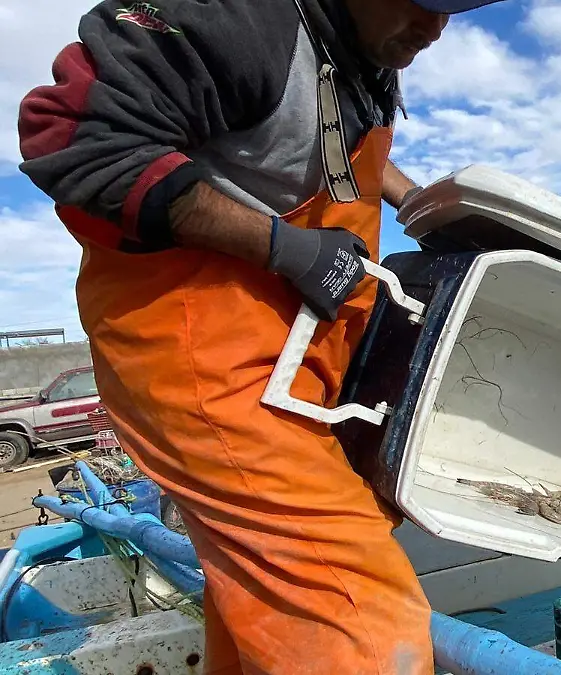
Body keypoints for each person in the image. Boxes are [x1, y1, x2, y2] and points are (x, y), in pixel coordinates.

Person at [18, 0, 502, 672]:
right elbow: (76, 136)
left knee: (265, 600)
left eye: (452, 10)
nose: (435, 27)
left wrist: (426, 208)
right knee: (355, 616)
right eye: (422, 1)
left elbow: (336, 150)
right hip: (206, 366)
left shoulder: (360, 50)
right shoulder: (240, 18)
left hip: (300, 373)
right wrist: (285, 249)